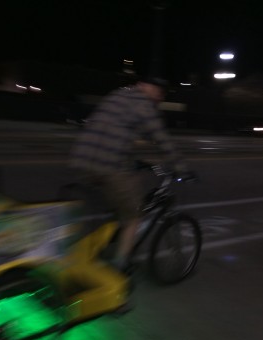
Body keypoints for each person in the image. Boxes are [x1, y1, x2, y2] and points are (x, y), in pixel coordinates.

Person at [69, 76, 186, 273]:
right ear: (144, 87)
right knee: (133, 216)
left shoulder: (118, 95)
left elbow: (115, 132)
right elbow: (162, 139)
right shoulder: (144, 104)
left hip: (84, 160)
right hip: (108, 165)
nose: (159, 96)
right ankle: (120, 264)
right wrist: (182, 168)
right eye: (158, 91)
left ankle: (108, 241)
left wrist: (134, 161)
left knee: (123, 194)